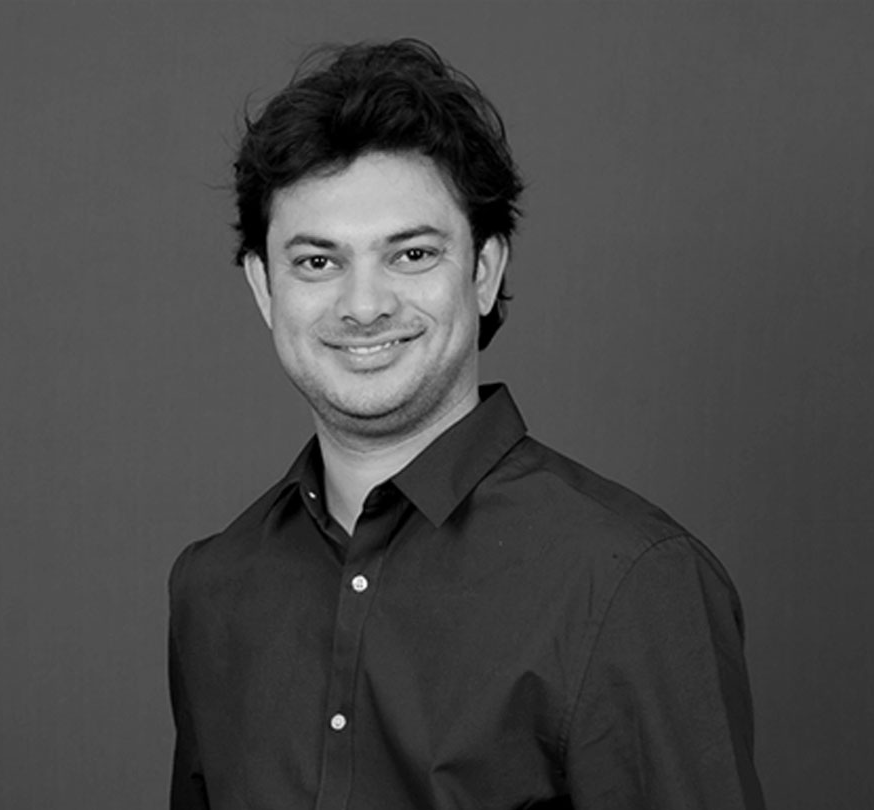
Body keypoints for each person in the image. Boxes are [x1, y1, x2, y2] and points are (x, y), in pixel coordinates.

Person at [168, 38, 765, 810]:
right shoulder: (215, 589)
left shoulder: (628, 582)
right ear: (263, 288)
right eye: (317, 262)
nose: (363, 305)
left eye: (411, 254)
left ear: (483, 272)